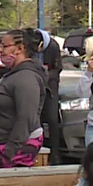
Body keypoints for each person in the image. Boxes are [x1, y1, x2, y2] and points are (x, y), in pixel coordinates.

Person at [0, 29, 46, 168]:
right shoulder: (12, 74)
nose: (0, 51)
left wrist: (10, 151)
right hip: (0, 145)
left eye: (5, 46)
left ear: (20, 49)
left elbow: (26, 117)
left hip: (16, 150)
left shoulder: (26, 77)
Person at [32, 28, 64, 164]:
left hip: (50, 87)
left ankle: (55, 153)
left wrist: (44, 74)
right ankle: (37, 149)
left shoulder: (52, 46)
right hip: (34, 86)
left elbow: (58, 68)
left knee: (52, 119)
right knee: (35, 119)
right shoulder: (30, 46)